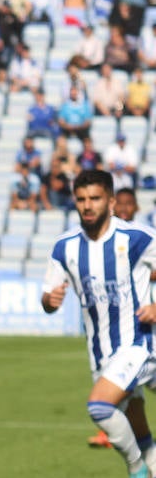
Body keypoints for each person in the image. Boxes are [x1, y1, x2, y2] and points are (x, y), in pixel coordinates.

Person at [42, 169, 156, 478]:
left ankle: (137, 470)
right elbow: (47, 299)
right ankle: (151, 471)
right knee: (137, 423)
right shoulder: (65, 247)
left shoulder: (136, 237)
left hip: (139, 344)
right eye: (81, 199)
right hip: (100, 352)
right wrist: (51, 300)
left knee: (99, 407)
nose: (87, 206)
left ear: (110, 201)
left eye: (94, 198)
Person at [84, 186, 154, 450]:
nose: (123, 209)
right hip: (120, 335)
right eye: (120, 205)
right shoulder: (103, 242)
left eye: (129, 204)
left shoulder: (141, 238)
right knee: (129, 399)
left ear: (136, 207)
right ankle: (144, 468)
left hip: (146, 335)